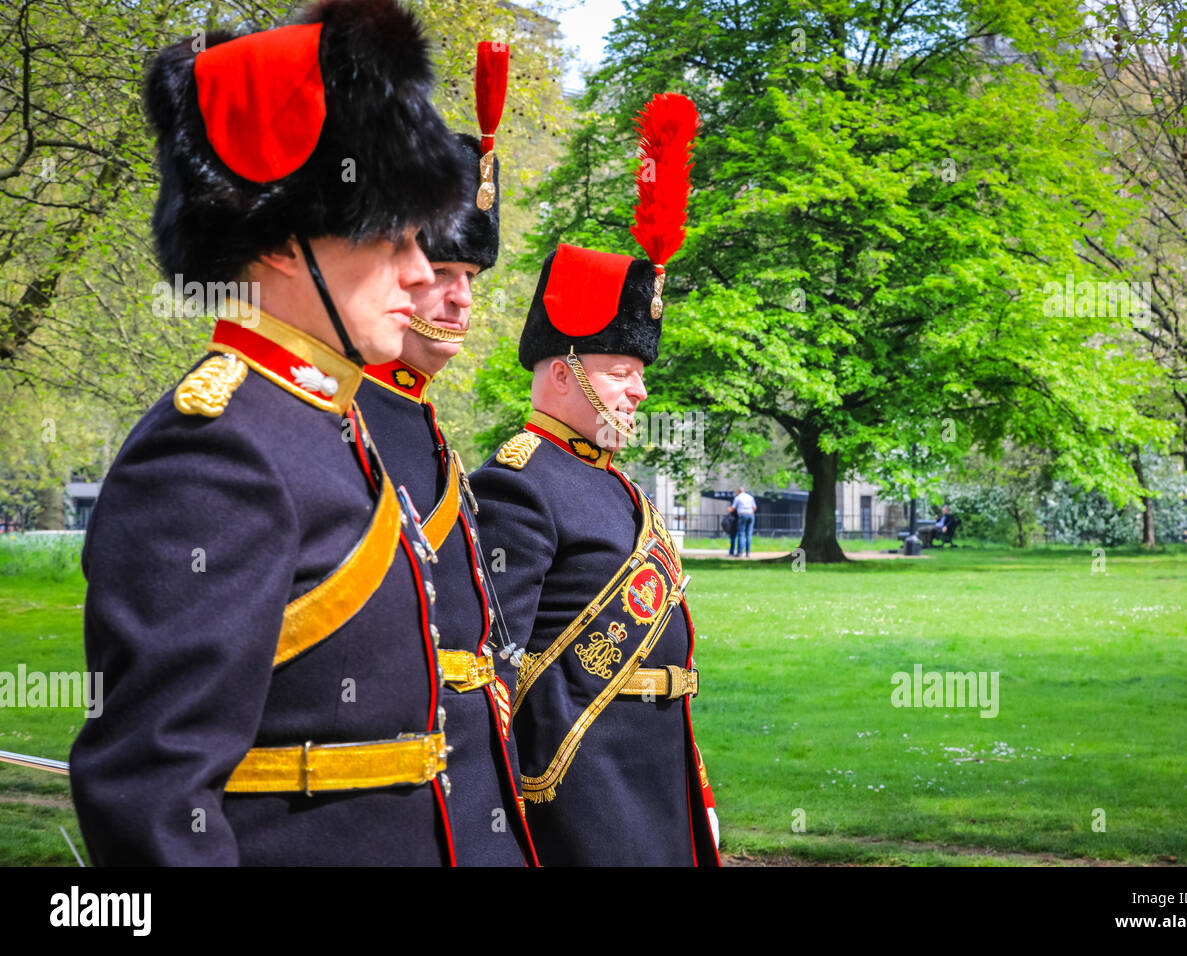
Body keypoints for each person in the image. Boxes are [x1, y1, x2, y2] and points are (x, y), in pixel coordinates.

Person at [70, 0, 473, 865]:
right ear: (283, 242)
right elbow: (152, 796)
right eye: (391, 237)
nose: (420, 271)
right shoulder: (214, 450)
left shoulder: (327, 419)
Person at [470, 93, 720, 866]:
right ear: (559, 372)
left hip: (658, 779)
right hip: (583, 798)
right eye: (619, 371)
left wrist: (696, 793)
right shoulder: (518, 482)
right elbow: (497, 674)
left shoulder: (619, 487)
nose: (639, 390)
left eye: (640, 373)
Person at [356, 42, 535, 866]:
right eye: (443, 270)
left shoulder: (414, 417)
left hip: (469, 779)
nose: (462, 299)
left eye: (474, 275)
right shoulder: (344, 410)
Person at [731, 486, 757, 557]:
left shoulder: (738, 498)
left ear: (739, 491)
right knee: (749, 534)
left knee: (741, 534)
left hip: (742, 515)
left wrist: (728, 509)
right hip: (751, 515)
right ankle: (748, 553)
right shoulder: (750, 497)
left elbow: (733, 508)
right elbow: (754, 507)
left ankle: (740, 553)